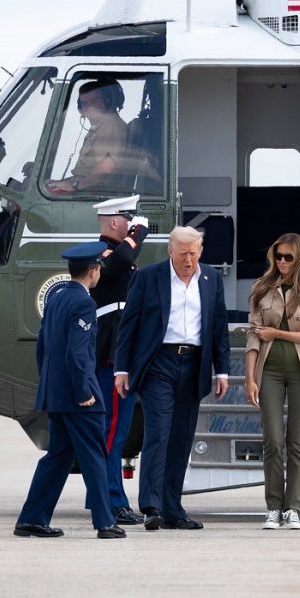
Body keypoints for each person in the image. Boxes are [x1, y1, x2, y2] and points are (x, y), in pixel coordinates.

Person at [113, 226, 230, 531]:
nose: (188, 260)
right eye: (182, 254)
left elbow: (218, 327)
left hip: (195, 364)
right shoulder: (148, 277)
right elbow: (129, 325)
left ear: (200, 252)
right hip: (158, 364)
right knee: (158, 433)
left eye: (193, 253)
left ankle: (173, 508)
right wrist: (122, 369)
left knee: (181, 438)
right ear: (170, 252)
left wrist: (223, 371)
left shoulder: (211, 279)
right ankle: (152, 506)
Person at [14, 242, 126, 539]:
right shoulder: (84, 303)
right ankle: (105, 522)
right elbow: (79, 354)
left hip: (56, 395)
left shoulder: (57, 298)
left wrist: (52, 386)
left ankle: (32, 519)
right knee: (94, 456)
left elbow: (43, 347)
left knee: (58, 457)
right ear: (93, 271)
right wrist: (82, 392)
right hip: (79, 397)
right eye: (99, 269)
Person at [245, 233, 300, 531]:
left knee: (297, 442)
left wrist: (277, 333)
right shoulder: (262, 288)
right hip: (269, 372)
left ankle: (293, 509)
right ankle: (272, 508)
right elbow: (254, 335)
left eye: (287, 257)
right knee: (273, 441)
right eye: (277, 256)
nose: (281, 262)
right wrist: (250, 378)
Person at [87, 194, 149, 526]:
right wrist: (137, 232)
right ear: (115, 222)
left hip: (118, 355)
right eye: (129, 218)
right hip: (111, 359)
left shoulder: (115, 254)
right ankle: (112, 501)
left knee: (114, 431)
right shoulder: (103, 253)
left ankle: (103, 496)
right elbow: (121, 258)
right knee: (111, 432)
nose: (134, 223)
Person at [47, 79, 129, 195]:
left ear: (108, 100)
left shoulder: (111, 125)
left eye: (94, 101)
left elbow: (107, 167)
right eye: (84, 103)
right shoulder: (99, 127)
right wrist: (63, 182)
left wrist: (75, 186)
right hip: (85, 185)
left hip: (92, 191)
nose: (89, 107)